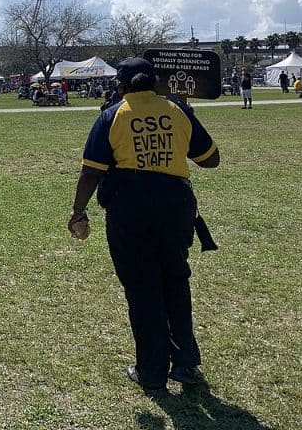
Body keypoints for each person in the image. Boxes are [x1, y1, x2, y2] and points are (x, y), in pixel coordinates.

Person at [69, 57, 220, 393]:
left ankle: (151, 371)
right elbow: (211, 159)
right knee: (175, 282)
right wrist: (184, 119)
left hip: (130, 206)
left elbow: (92, 170)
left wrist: (78, 211)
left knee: (142, 288)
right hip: (175, 206)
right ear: (156, 84)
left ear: (121, 86)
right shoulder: (177, 110)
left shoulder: (113, 115)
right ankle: (185, 363)